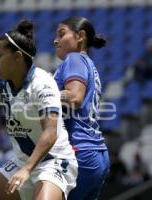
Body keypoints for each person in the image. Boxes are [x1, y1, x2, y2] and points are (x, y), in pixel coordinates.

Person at [0, 20, 78, 200]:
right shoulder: (8, 83)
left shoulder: (42, 84)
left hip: (53, 162)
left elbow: (50, 133)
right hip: (22, 161)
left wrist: (27, 169)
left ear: (18, 57)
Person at [53, 16, 110, 200]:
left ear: (80, 36)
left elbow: (74, 97)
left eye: (61, 34)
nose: (55, 40)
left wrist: (40, 94)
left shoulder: (74, 59)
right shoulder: (89, 64)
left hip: (79, 152)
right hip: (96, 153)